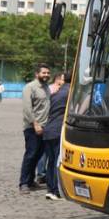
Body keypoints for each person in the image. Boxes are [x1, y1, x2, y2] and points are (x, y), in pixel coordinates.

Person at [20, 64, 51, 193]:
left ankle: (30, 180)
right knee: (31, 154)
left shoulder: (46, 87)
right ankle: (23, 183)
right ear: (37, 74)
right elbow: (27, 108)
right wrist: (35, 124)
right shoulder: (30, 87)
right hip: (32, 128)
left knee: (38, 155)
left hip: (45, 127)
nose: (46, 75)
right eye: (44, 73)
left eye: (48, 73)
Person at [43, 72, 69, 200]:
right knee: (57, 161)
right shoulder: (70, 93)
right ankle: (55, 190)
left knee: (51, 161)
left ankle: (50, 189)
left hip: (48, 130)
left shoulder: (55, 94)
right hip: (58, 130)